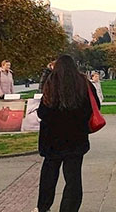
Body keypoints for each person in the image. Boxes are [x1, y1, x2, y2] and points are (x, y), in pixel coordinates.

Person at [35, 55, 100, 212]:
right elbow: (95, 106)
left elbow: (43, 111)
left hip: (52, 138)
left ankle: (43, 206)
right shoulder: (84, 84)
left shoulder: (51, 83)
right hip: (75, 137)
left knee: (49, 175)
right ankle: (69, 208)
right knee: (73, 178)